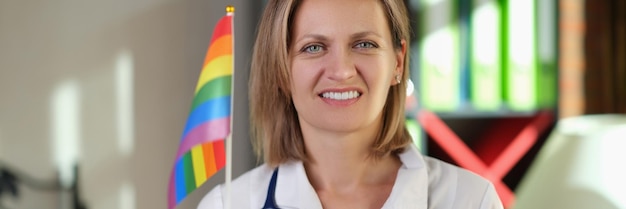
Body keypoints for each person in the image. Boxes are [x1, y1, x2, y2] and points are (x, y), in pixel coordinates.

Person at [198, 0, 504, 208]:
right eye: (314, 47)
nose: (342, 70)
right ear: (280, 69)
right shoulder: (228, 205)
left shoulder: (470, 200)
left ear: (397, 63)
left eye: (364, 44)